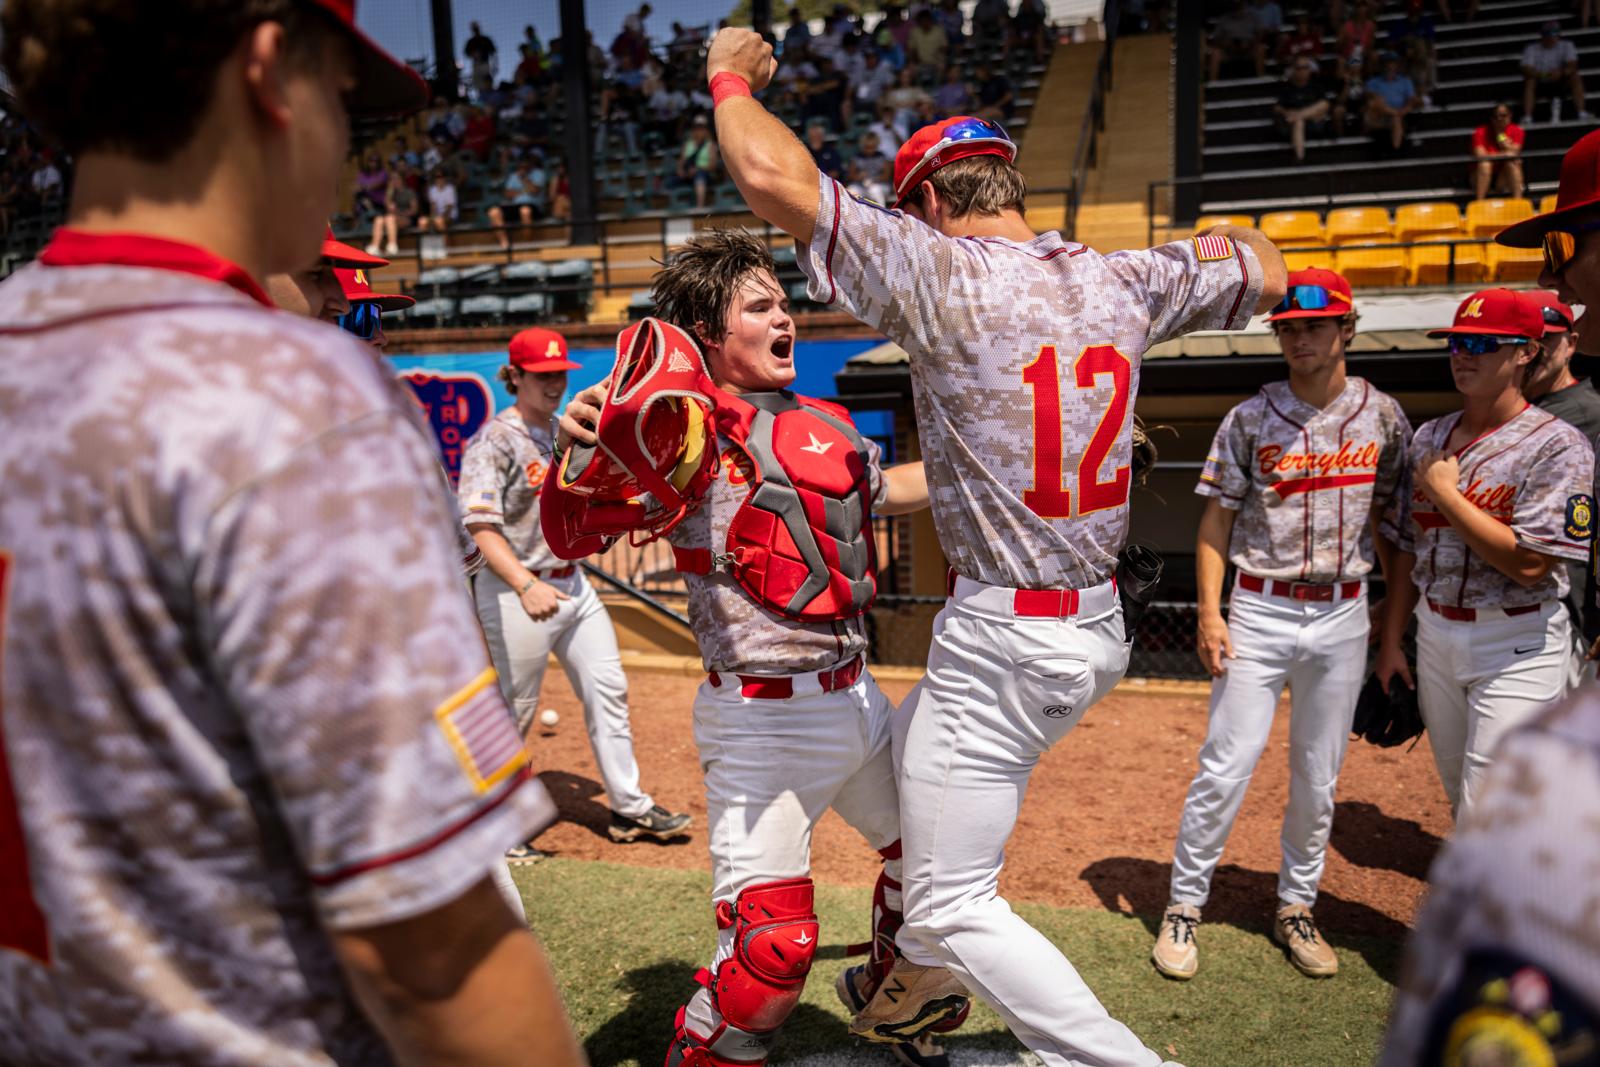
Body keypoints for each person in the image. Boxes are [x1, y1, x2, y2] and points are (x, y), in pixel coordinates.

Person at [0, 1, 584, 1064]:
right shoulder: (302, 398)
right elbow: (427, 944)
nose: (350, 150)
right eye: (343, 100)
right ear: (271, 69)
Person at [701, 28, 1287, 1065]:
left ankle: (1115, 1059)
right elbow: (1267, 268)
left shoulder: (944, 271)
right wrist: (1205, 241)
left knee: (952, 897)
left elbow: (764, 171)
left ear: (928, 201)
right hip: (1092, 621)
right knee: (893, 770)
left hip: (1004, 633)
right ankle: (904, 986)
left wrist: (729, 74)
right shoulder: (1122, 277)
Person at [556, 229, 957, 1067]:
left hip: (857, 700)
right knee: (769, 958)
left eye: (786, 302)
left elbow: (900, 489)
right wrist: (581, 445)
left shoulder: (827, 423)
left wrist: (1005, 464)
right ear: (710, 333)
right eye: (761, 305)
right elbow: (571, 529)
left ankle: (884, 998)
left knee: (935, 872)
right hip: (757, 723)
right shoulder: (682, 430)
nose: (788, 318)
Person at [1153, 269, 1411, 983]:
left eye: (1315, 324)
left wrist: (1393, 631)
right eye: (1289, 327)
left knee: (1318, 776)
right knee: (1225, 765)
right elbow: (1216, 518)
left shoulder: (1384, 417)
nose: (1299, 336)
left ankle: (1296, 904)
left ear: (1347, 328)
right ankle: (1184, 904)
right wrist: (1211, 611)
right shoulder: (1250, 416)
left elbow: (1395, 528)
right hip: (1260, 606)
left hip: (1344, 610)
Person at [458, 328, 692, 858]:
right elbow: (480, 524)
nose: (554, 384)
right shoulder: (494, 440)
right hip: (518, 590)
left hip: (573, 587)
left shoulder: (570, 431)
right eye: (542, 375)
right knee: (513, 712)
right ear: (514, 376)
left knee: (608, 690)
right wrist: (523, 584)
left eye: (560, 373)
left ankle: (629, 808)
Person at [1375, 289, 1595, 820]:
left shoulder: (1558, 444)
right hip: (1436, 634)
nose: (1463, 354)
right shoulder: (1430, 436)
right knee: (1459, 792)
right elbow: (1406, 547)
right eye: (1456, 343)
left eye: (1480, 343)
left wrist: (1448, 495)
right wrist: (1390, 642)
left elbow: (1530, 564)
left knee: (1489, 803)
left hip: (1518, 637)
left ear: (1524, 352)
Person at [1521, 20, 1590, 125]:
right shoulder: (1531, 49)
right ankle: (1527, 116)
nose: (1550, 38)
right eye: (1547, 35)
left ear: (1558, 35)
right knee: (1530, 81)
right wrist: (1545, 75)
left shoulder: (1567, 45)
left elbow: (1572, 65)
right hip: (1541, 80)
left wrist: (1561, 72)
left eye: (1553, 34)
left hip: (1561, 79)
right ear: (1542, 35)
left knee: (1575, 76)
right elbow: (1527, 69)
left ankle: (1581, 112)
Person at [1275, 57, 1331, 162]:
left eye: (1305, 68)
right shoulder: (1287, 88)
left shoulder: (1316, 86)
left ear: (1309, 69)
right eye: (1298, 68)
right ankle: (1300, 157)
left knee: (1323, 104)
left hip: (1313, 121)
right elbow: (1277, 107)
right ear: (1294, 70)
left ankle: (1298, 115)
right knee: (1299, 121)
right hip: (1292, 125)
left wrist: (1299, 114)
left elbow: (1325, 105)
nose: (1302, 71)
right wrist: (1286, 112)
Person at [487, 157, 546, 250]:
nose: (523, 167)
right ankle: (505, 244)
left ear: (530, 164)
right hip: (514, 206)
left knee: (525, 211)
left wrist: (524, 179)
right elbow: (508, 194)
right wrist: (524, 190)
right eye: (521, 165)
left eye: (526, 165)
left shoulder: (539, 173)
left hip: (533, 206)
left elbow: (535, 191)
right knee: (493, 212)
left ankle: (527, 245)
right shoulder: (513, 176)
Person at [1364, 51, 1419, 152]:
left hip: (1399, 114)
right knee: (1374, 103)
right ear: (1382, 66)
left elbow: (1412, 99)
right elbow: (1371, 98)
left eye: (1393, 63)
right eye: (1387, 63)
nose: (1390, 66)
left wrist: (1405, 110)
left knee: (1396, 118)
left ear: (1397, 65)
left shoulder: (1405, 81)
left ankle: (1396, 149)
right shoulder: (1373, 82)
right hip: (1379, 115)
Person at [1471, 103, 1526, 200]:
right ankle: (1479, 203)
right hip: (1479, 176)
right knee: (1485, 164)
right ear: (1491, 118)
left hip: (1502, 178)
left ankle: (1519, 202)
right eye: (1496, 116)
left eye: (1503, 116)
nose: (1499, 119)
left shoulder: (1517, 131)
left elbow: (1514, 153)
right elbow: (1481, 155)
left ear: (1510, 116)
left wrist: (1500, 137)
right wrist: (1506, 154)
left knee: (1513, 163)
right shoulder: (1480, 132)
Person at [1210, 0, 1266, 81]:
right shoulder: (1224, 19)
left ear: (1243, 6)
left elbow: (1260, 33)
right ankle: (1213, 82)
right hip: (1229, 51)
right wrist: (1227, 44)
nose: (1237, 10)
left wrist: (1250, 44)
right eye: (1235, 7)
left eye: (1239, 7)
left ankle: (1261, 79)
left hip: (1249, 49)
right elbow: (1216, 38)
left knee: (1260, 48)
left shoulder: (1253, 17)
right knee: (1215, 53)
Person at [676, 115, 721, 208]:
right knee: (669, 182)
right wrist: (681, 171)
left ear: (706, 130)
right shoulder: (687, 144)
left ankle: (700, 207)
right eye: (696, 128)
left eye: (701, 128)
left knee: (699, 176)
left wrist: (697, 169)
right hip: (688, 174)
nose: (698, 131)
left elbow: (713, 166)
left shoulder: (711, 145)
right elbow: (681, 162)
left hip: (705, 174)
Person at [371, 169, 413, 254]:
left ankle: (392, 245)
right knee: (378, 219)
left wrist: (400, 213)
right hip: (392, 219)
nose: (394, 180)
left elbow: (414, 210)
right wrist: (390, 191)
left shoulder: (409, 192)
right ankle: (374, 246)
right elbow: (388, 208)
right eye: (392, 178)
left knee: (390, 218)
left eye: (396, 178)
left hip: (406, 218)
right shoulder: (391, 193)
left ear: (401, 179)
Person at [465, 20, 498, 99]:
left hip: (485, 64)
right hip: (476, 65)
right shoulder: (471, 41)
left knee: (487, 81)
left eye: (476, 28)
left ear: (479, 28)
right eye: (474, 28)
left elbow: (493, 52)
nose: (475, 29)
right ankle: (482, 99)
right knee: (478, 85)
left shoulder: (485, 39)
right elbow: (467, 53)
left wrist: (495, 64)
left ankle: (491, 98)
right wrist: (473, 54)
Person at [421, 168, 458, 234]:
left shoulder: (450, 189)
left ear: (445, 178)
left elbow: (449, 208)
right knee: (422, 221)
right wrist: (432, 218)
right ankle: (427, 242)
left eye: (441, 176)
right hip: (437, 217)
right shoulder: (432, 190)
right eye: (436, 177)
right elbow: (433, 207)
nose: (439, 179)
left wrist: (440, 218)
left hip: (450, 216)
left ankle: (445, 242)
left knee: (439, 221)